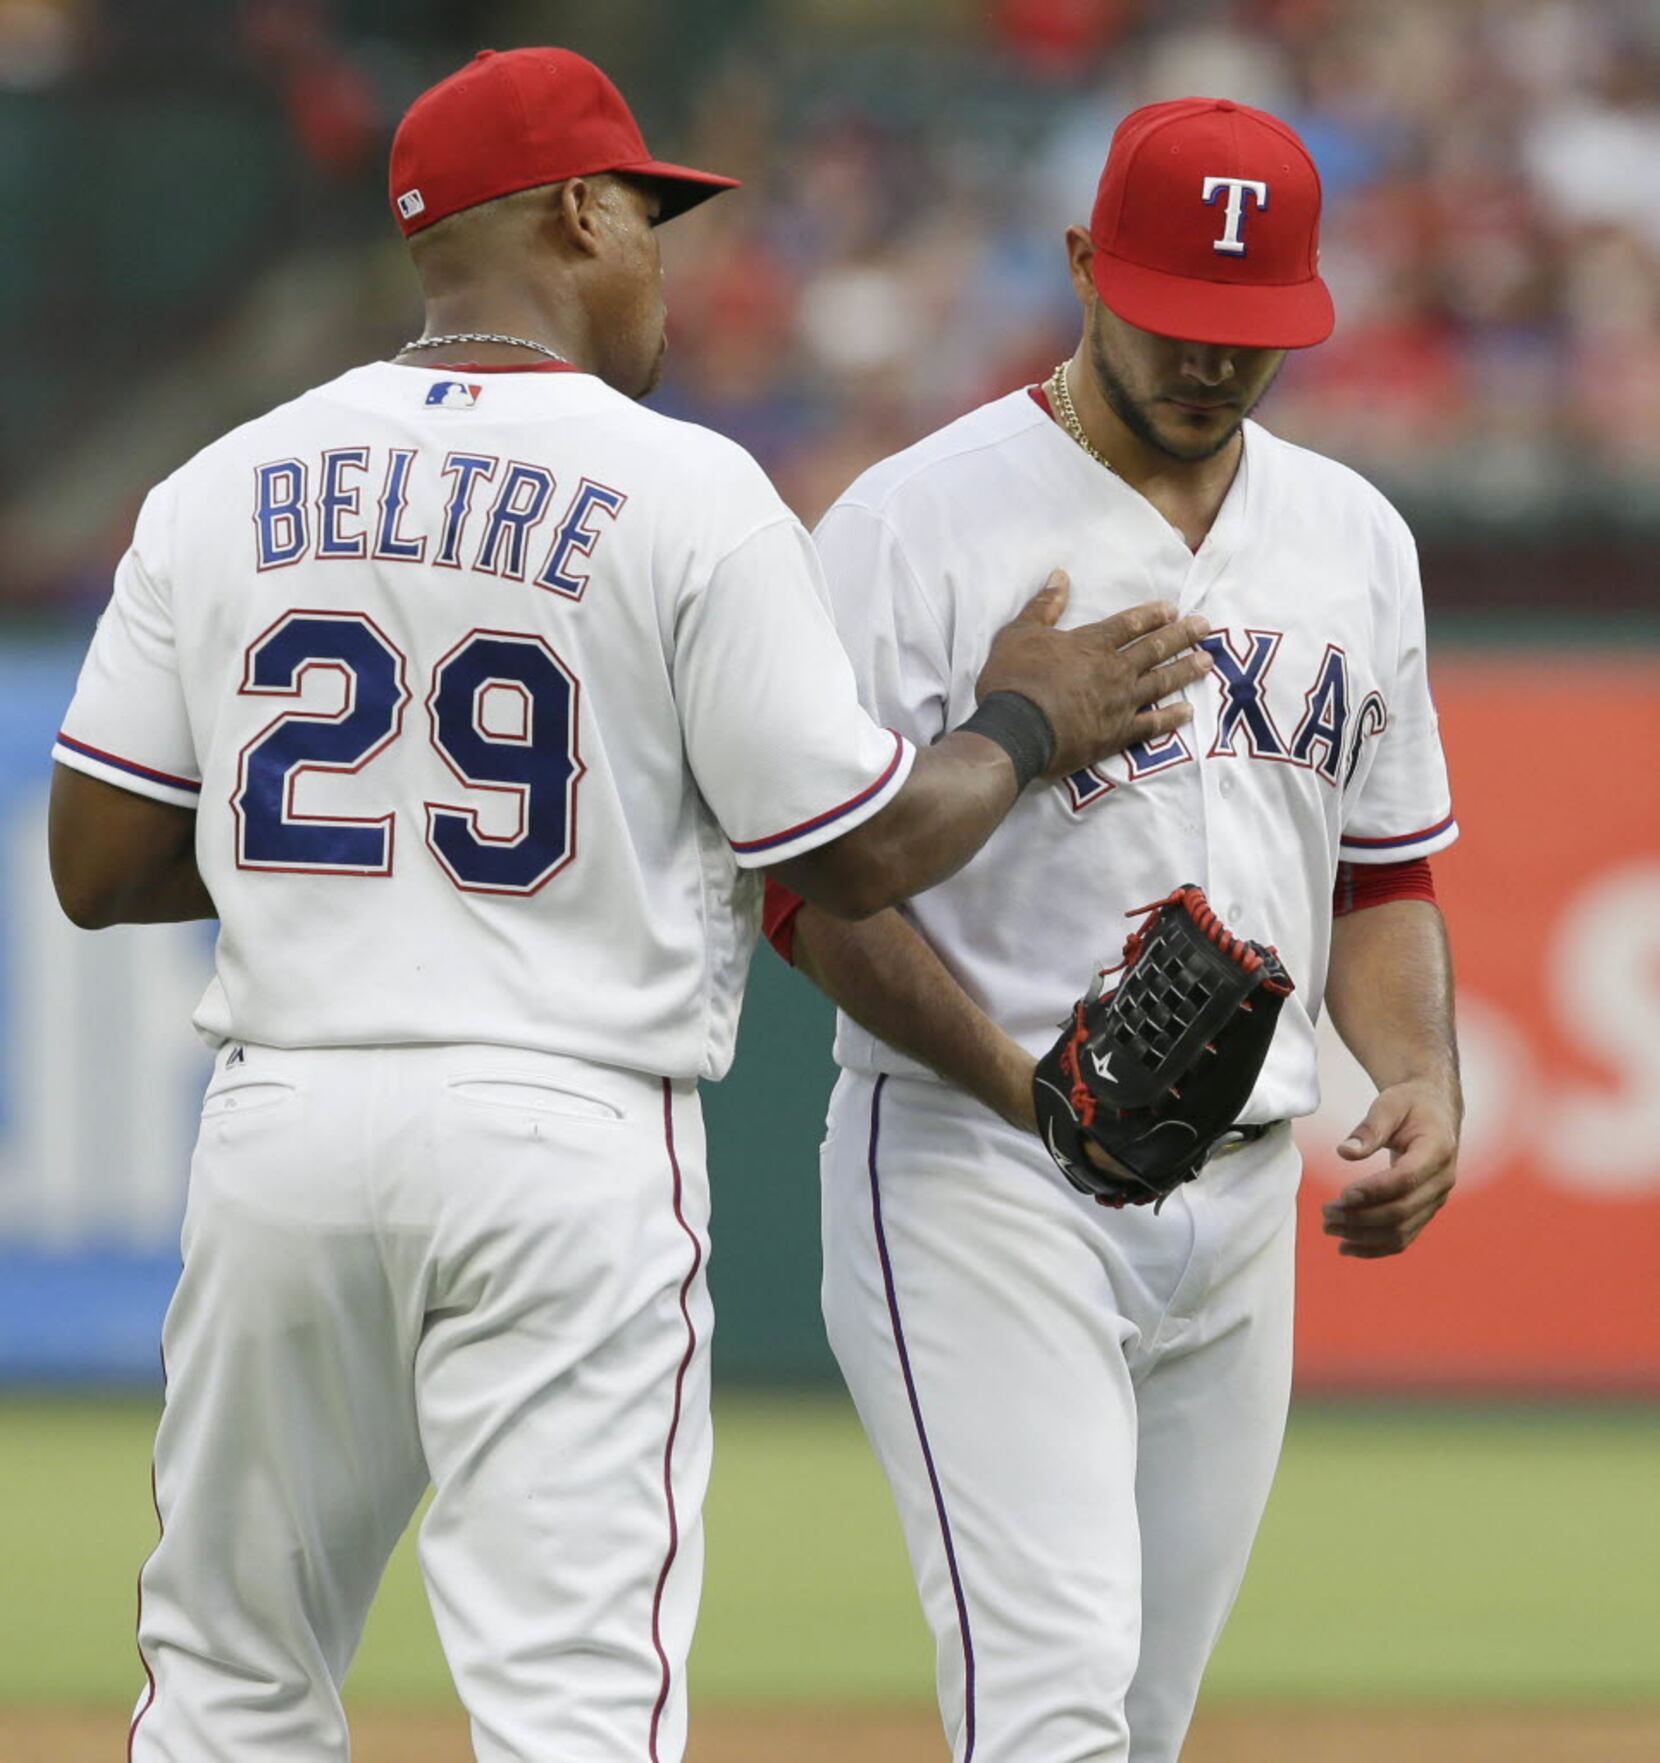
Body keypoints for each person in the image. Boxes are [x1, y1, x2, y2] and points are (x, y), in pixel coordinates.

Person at [46, 49, 1214, 1763]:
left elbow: (97, 865)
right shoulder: (681, 488)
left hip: (284, 1121)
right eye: (648, 217)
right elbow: (860, 849)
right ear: (580, 211)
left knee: (227, 1683)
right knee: (574, 1704)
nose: (663, 256)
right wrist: (1026, 722)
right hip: (561, 1125)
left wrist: (366, 871)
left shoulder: (228, 480)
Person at [765, 97, 1462, 1763]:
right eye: (1176, 315)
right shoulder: (909, 525)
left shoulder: (1356, 539)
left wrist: (1423, 1071)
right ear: (1085, 265)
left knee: (1138, 1728)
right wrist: (1032, 1095)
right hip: (977, 1174)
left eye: (1250, 330)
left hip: (1239, 1206)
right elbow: (804, 890)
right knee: (1050, 1705)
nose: (1211, 360)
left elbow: (1382, 870)